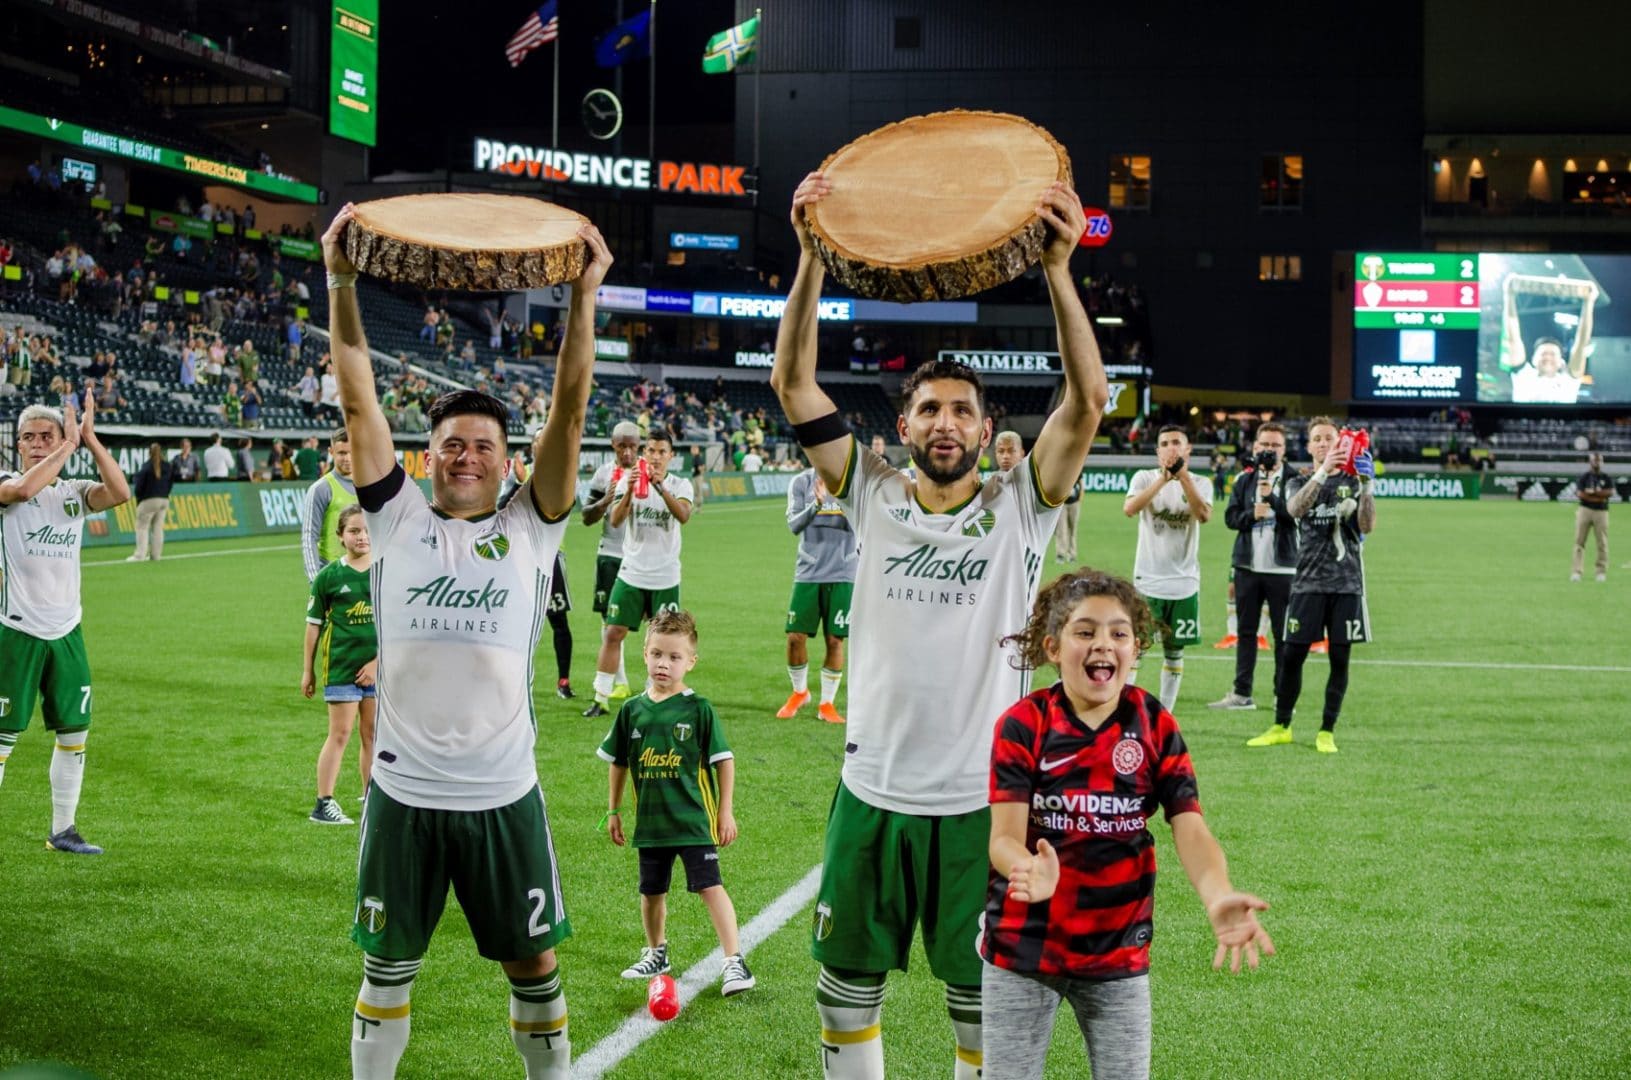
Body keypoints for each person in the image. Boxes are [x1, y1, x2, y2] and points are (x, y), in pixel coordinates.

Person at [771, 172, 1107, 1080]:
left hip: (980, 804)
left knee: (983, 1011)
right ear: (904, 424)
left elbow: (1086, 405)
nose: (946, 422)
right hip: (871, 789)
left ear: (987, 426)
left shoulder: (1020, 507)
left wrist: (1058, 269)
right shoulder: (869, 494)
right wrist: (808, 255)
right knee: (843, 994)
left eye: (962, 409)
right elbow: (792, 380)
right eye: (929, 408)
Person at [323, 201, 610, 1079]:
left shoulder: (534, 527)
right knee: (386, 969)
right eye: (452, 444)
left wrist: (584, 295)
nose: (467, 456)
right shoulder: (396, 515)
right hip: (403, 797)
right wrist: (339, 279)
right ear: (428, 454)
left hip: (501, 792)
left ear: (507, 460)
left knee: (534, 967)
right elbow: (356, 388)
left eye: (484, 445)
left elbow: (568, 405)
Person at [982, 568, 1274, 1080]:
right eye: (1085, 631)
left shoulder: (1154, 723)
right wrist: (1026, 868)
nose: (1103, 644)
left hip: (1118, 954)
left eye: (1119, 633)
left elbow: (1190, 825)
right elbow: (1003, 837)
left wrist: (1217, 894)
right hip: (1023, 949)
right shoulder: (1024, 724)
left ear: (1136, 649)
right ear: (1053, 647)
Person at [597, 609, 755, 996]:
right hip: (651, 824)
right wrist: (614, 810)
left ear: (691, 662)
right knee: (651, 892)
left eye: (674, 657)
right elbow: (618, 763)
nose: (663, 664)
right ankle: (656, 953)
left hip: (694, 821)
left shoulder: (697, 709)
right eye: (656, 654)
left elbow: (724, 762)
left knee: (710, 886)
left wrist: (725, 811)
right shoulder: (631, 711)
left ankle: (735, 961)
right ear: (644, 654)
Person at [0, 396, 131, 855]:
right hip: (16, 630)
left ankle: (64, 829)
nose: (37, 444)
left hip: (67, 631)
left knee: (74, 733)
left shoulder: (72, 491)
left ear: (61, 439)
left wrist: (90, 441)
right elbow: (19, 494)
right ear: (17, 446)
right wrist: (66, 448)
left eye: (47, 436)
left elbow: (119, 494)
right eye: (29, 437)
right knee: (2, 737)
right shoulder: (6, 482)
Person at [1247, 418, 1375, 754]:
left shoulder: (1354, 481)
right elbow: (1293, 509)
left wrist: (1368, 486)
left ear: (1339, 443)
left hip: (1346, 584)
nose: (1322, 444)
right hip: (1307, 584)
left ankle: (1326, 730)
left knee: (1340, 658)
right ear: (1309, 446)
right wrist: (1321, 474)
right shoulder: (1298, 481)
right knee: (1292, 656)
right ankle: (1282, 725)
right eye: (1316, 439)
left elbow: (1367, 525)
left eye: (1328, 438)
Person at [584, 429, 694, 719]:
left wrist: (660, 489)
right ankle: (601, 696)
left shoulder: (681, 484)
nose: (656, 457)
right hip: (631, 572)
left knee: (664, 640)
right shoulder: (627, 479)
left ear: (671, 456)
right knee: (612, 632)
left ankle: (655, 696)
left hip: (665, 575)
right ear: (645, 454)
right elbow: (617, 521)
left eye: (662, 452)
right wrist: (631, 491)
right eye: (651, 451)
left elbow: (683, 515)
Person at [1121, 425, 1212, 712]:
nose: (1171, 448)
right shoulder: (1144, 477)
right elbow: (1130, 508)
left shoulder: (1201, 482)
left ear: (1187, 450)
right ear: (1157, 450)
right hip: (1148, 580)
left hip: (1184, 582)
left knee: (1174, 651)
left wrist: (1182, 477)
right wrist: (1163, 480)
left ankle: (1166, 714)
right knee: (1135, 649)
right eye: (1165, 443)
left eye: (1177, 443)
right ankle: (1128, 713)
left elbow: (1203, 514)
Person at [1211, 423, 1295, 710]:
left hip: (1283, 569)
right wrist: (1251, 514)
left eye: (1276, 445)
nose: (1269, 450)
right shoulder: (1244, 481)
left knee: (1283, 636)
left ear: (1284, 450)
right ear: (1255, 447)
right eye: (1265, 445)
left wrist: (1272, 499)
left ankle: (1282, 695)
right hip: (1248, 566)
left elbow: (1298, 517)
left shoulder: (1296, 480)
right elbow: (1230, 518)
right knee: (1246, 633)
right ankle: (1241, 693)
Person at [301, 505, 377, 826]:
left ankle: (373, 796)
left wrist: (377, 662)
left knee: (372, 733)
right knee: (341, 732)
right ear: (341, 536)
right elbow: (313, 625)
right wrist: (308, 670)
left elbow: (399, 626)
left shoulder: (386, 571)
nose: (362, 536)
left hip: (377, 670)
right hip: (342, 668)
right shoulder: (329, 576)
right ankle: (324, 802)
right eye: (354, 531)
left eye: (367, 530)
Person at [776, 457, 858, 724]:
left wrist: (843, 502)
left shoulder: (852, 483)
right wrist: (817, 505)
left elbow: (861, 523)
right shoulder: (800, 482)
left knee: (835, 639)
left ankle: (827, 703)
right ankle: (800, 692)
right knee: (795, 637)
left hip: (844, 571)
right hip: (808, 571)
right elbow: (794, 525)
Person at [500, 450, 576, 699]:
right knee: (517, 623)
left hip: (552, 558)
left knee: (559, 622)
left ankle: (563, 681)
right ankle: (515, 681)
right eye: (537, 442)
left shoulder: (562, 475)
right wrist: (521, 483)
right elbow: (500, 508)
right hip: (523, 560)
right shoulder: (520, 474)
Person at [581, 423, 643, 703]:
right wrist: (606, 500)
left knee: (650, 622)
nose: (628, 452)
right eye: (623, 446)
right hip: (610, 554)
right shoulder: (603, 474)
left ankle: (657, 682)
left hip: (641, 557)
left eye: (633, 446)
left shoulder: (647, 472)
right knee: (610, 622)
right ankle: (621, 682)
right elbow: (586, 517)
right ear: (613, 446)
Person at [302, 429, 358, 582]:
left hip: (363, 573)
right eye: (341, 453)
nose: (347, 458)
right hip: (331, 573)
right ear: (331, 452)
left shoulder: (368, 486)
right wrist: (315, 580)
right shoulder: (320, 489)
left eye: (351, 452)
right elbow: (309, 537)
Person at [127, 442, 175, 562]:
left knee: (142, 527)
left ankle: (140, 555)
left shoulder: (147, 466)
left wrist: (139, 498)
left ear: (149, 453)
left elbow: (139, 486)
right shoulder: (167, 466)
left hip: (149, 500)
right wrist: (165, 494)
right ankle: (156, 556)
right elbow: (171, 482)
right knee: (158, 528)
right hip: (164, 500)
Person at [1572, 452, 1612, 582]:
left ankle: (1601, 572)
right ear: (1590, 462)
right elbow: (1580, 494)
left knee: (1602, 542)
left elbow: (1610, 492)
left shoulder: (1606, 477)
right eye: (1594, 460)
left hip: (1601, 512)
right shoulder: (1584, 477)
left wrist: (1593, 493)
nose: (1597, 463)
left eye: (1599, 460)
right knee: (1579, 541)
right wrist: (1599, 496)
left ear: (1602, 462)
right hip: (1585, 510)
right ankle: (1577, 571)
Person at [1053, 471, 1082, 564]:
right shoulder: (1060, 468)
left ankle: (1072, 555)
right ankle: (1060, 554)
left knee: (1072, 529)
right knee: (1061, 530)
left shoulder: (1078, 468)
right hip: (1061, 504)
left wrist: (1080, 499)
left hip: (1074, 503)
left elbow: (1081, 485)